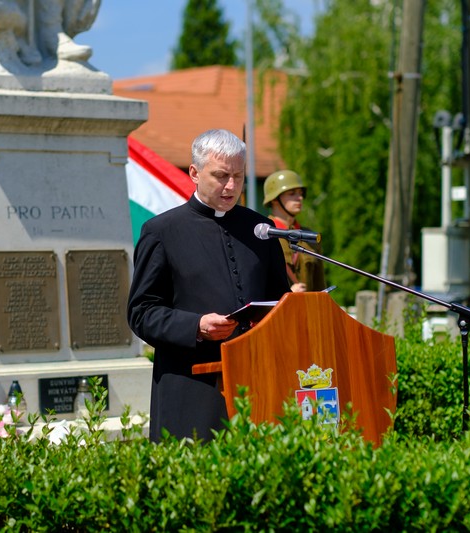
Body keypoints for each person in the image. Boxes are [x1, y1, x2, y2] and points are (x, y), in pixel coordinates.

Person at [127, 129, 291, 442]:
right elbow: (141, 313)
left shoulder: (261, 230)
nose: (231, 186)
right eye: (221, 175)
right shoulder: (161, 232)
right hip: (191, 389)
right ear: (194, 173)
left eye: (238, 176)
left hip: (257, 385)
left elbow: (279, 301)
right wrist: (197, 325)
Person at [263, 170, 327, 293]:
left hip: (307, 304)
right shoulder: (263, 235)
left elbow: (320, 286)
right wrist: (287, 293)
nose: (300, 198)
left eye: (301, 193)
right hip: (278, 304)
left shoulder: (310, 237)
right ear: (275, 199)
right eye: (292, 193)